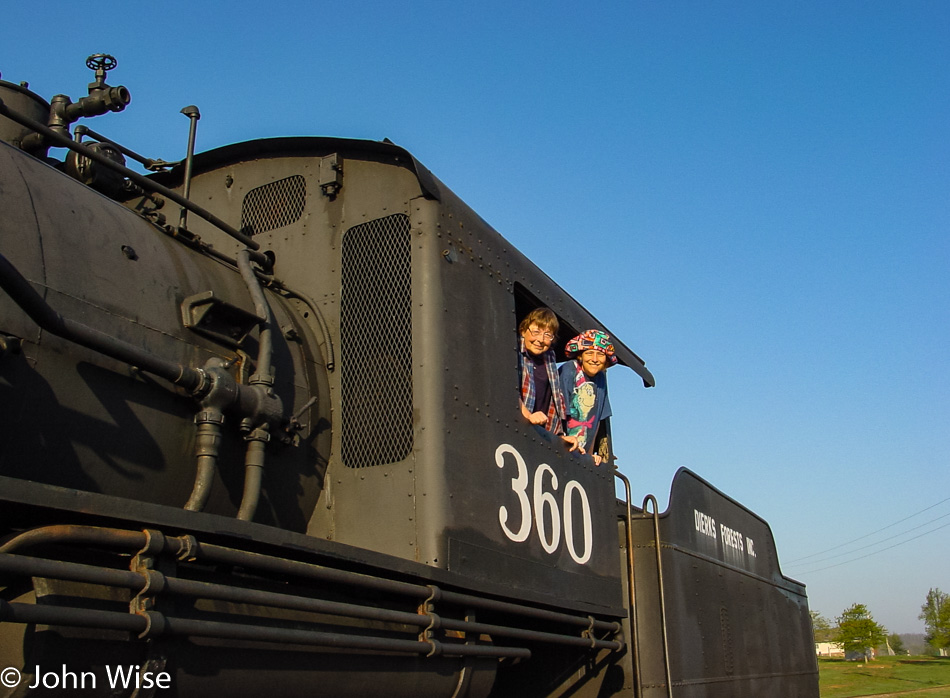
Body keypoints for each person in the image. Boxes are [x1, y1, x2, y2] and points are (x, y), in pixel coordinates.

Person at [517, 308, 580, 452]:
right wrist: (527, 415)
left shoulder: (550, 358)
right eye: (536, 332)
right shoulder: (512, 350)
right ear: (523, 330)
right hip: (520, 424)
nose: (540, 339)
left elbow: (554, 401)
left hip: (540, 432)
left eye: (547, 335)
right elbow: (506, 386)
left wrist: (559, 436)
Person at [558, 330, 616, 465]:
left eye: (600, 354)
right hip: (563, 445)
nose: (594, 359)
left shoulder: (601, 379)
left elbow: (597, 420)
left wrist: (590, 454)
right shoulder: (568, 370)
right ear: (580, 356)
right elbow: (557, 411)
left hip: (581, 453)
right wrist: (561, 439)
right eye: (589, 353)